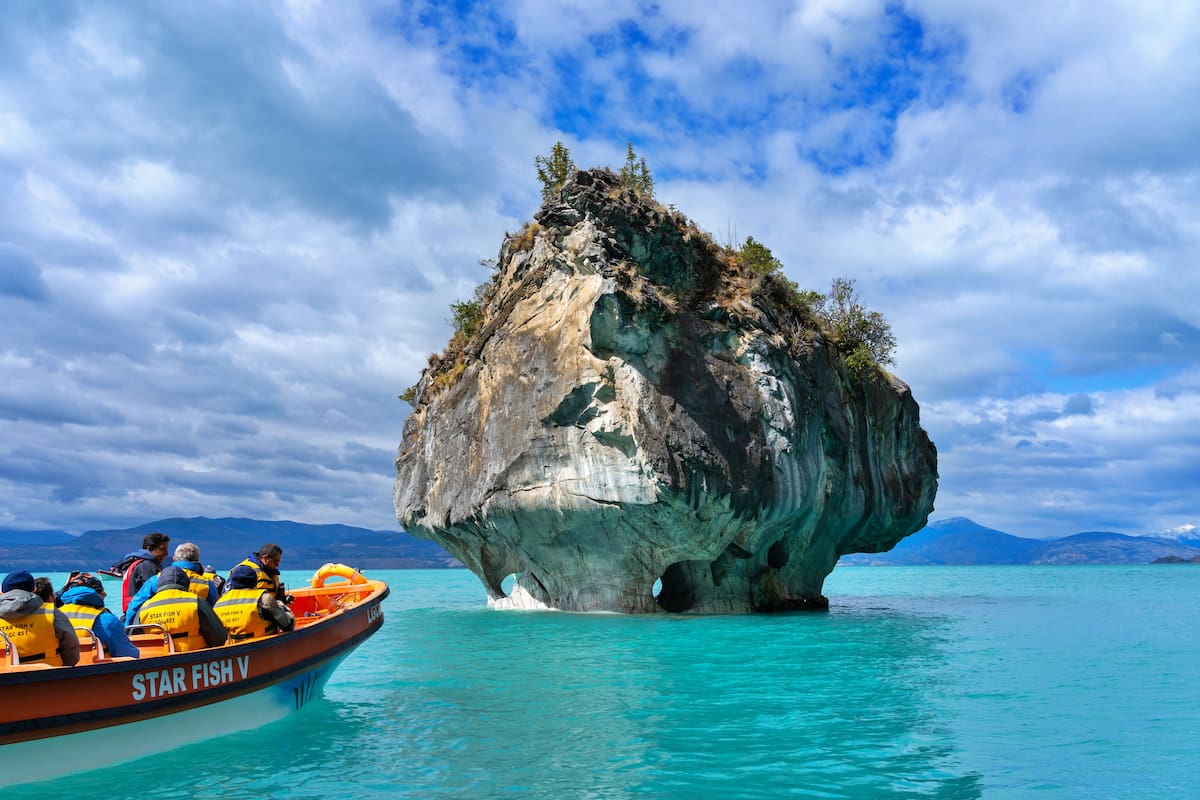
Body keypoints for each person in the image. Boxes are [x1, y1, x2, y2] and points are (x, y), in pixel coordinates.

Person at [131, 567, 227, 652]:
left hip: (158, 662)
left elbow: (134, 639)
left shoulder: (145, 608)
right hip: (195, 658)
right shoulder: (197, 602)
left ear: (159, 584)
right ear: (186, 584)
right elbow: (219, 638)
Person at [124, 542, 219, 624]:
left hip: (160, 637)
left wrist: (129, 630)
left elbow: (135, 606)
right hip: (194, 640)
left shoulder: (155, 580)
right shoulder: (207, 584)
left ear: (174, 559)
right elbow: (215, 614)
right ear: (197, 560)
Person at [0, 570, 80, 666]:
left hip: (5, 677)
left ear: (2, 592)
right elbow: (71, 648)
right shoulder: (52, 612)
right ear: (34, 590)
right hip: (49, 676)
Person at [58, 572, 139, 659]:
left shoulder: (55, 614)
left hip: (60, 667)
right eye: (100, 590)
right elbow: (129, 654)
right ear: (93, 593)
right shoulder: (105, 620)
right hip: (96, 669)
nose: (105, 594)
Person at [213, 568, 296, 641]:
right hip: (265, 647)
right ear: (255, 581)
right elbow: (287, 625)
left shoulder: (219, 604)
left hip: (234, 650)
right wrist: (282, 606)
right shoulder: (264, 598)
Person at [109, 532, 170, 615]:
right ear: (149, 549)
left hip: (131, 611)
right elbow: (153, 593)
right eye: (162, 549)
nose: (166, 553)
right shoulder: (147, 566)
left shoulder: (136, 562)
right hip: (142, 613)